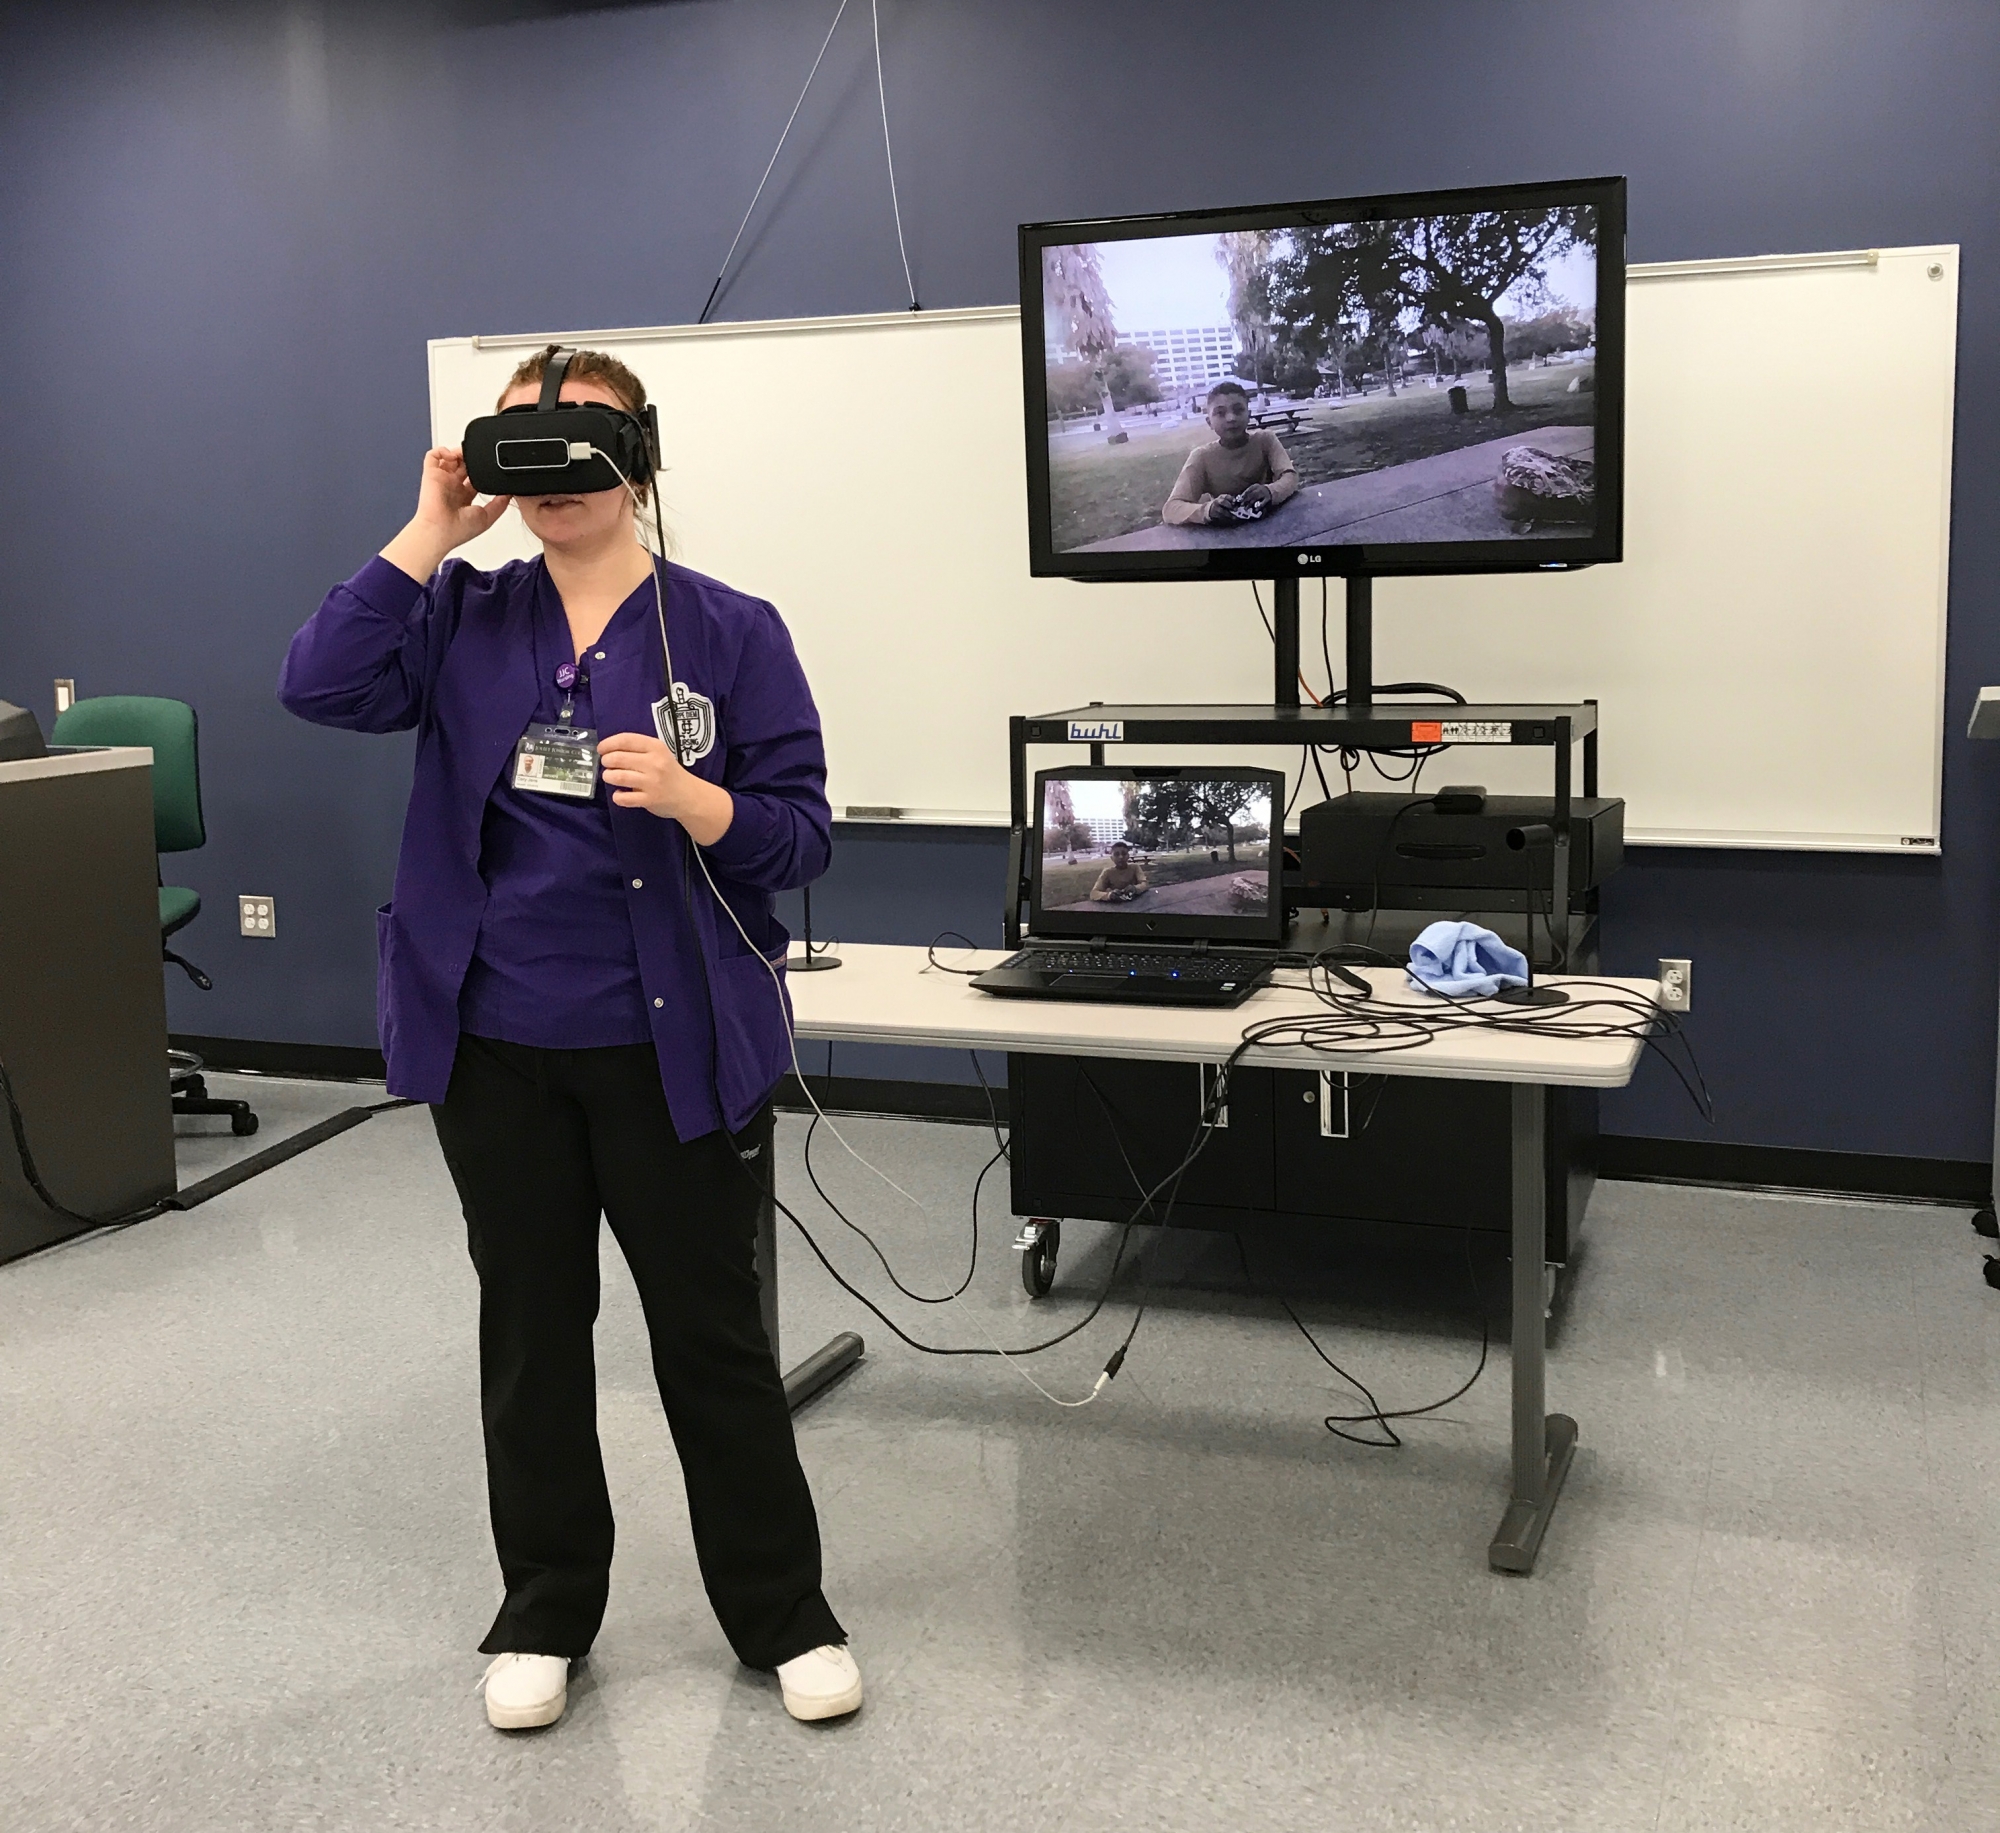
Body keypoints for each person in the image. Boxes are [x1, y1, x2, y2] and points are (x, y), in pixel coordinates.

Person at [278, 345, 860, 1733]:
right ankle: (545, 1607)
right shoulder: (464, 617)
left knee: (710, 1341)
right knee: (533, 1334)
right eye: (522, 446)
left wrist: (705, 805)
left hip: (672, 1051)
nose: (554, 475)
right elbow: (318, 682)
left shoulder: (726, 630)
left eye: (584, 443)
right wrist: (432, 527)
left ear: (641, 458)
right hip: (494, 1044)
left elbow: (806, 829)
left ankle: (785, 1615)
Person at [1161, 381, 1299, 526]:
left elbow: (1290, 476)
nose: (1231, 418)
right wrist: (1208, 510)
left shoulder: (1265, 440)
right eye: (1220, 413)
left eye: (1238, 410)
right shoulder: (1202, 457)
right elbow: (1171, 509)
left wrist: (1270, 491)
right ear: (1209, 422)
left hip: (1275, 524)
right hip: (1226, 535)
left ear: (1249, 415)